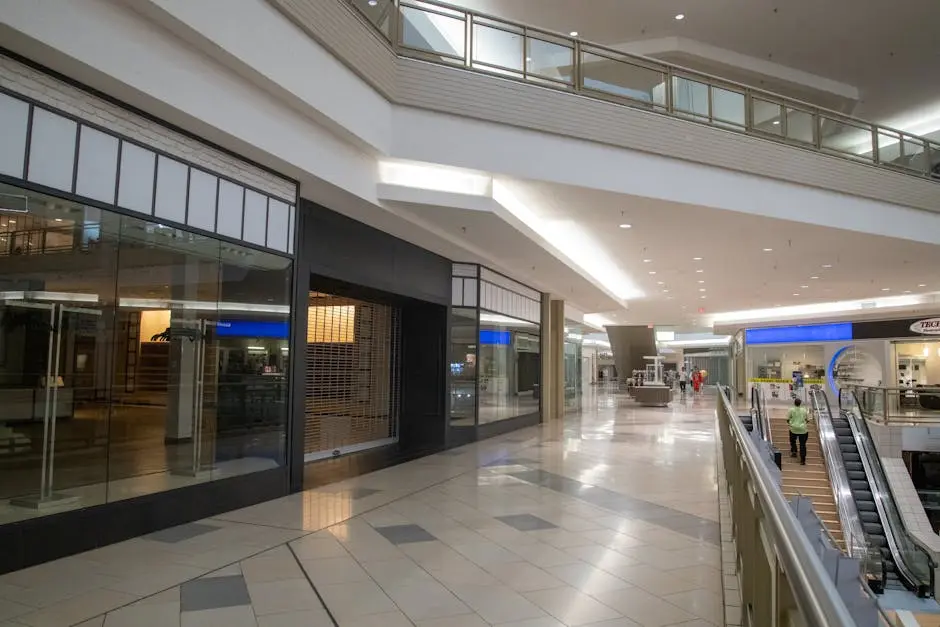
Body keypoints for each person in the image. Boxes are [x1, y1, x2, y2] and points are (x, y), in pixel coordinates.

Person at [787, 398, 811, 465]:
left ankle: (794, 452)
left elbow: (787, 419)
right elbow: (808, 420)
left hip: (793, 429)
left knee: (792, 441)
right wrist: (803, 424)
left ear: (794, 403)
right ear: (800, 403)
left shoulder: (791, 410)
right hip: (803, 430)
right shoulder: (804, 410)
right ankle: (803, 460)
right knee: (802, 445)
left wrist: (791, 424)